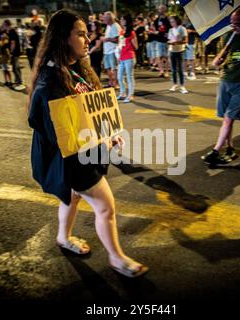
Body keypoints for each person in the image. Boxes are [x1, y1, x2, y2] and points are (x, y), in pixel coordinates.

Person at [28, 9, 148, 278]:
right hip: (73, 158)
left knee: (70, 197)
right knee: (105, 207)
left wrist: (108, 130)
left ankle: (63, 237)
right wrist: (96, 139)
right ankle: (117, 259)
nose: (86, 39)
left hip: (83, 153)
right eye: (80, 34)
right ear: (63, 38)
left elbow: (89, 111)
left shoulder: (74, 68)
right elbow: (50, 125)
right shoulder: (51, 80)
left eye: (86, 33)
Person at [201, 8, 240, 165]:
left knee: (228, 119)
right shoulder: (230, 35)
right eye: (232, 23)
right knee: (225, 120)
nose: (234, 26)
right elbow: (221, 56)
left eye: (238, 24)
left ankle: (216, 150)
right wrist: (217, 60)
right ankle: (230, 148)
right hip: (226, 79)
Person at [117, 14, 138, 103]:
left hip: (129, 57)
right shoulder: (121, 32)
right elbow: (120, 45)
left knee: (129, 76)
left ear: (127, 21)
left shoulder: (132, 32)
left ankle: (131, 95)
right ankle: (122, 93)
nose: (121, 21)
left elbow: (136, 46)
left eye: (123, 19)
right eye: (121, 19)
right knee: (119, 76)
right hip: (121, 57)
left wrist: (129, 45)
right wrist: (118, 56)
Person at [168, 15, 188, 94]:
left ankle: (182, 86)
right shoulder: (170, 30)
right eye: (170, 22)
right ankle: (174, 84)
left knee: (180, 69)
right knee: (173, 69)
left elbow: (186, 40)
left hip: (180, 50)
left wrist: (176, 42)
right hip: (172, 50)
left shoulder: (182, 28)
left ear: (177, 21)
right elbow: (169, 40)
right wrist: (170, 42)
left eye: (172, 21)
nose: (171, 23)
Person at [102, 11, 121, 88]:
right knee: (108, 68)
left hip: (113, 50)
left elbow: (118, 39)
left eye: (105, 18)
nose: (103, 20)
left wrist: (108, 39)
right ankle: (111, 83)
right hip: (106, 51)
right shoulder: (108, 26)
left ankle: (116, 84)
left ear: (110, 19)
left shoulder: (115, 26)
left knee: (114, 68)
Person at [3, 19, 23, 90]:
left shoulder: (12, 31)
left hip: (15, 52)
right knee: (16, 68)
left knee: (15, 68)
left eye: (4, 24)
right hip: (15, 52)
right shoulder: (10, 31)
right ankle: (18, 81)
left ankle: (18, 82)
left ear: (6, 25)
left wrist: (11, 53)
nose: (3, 26)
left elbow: (13, 43)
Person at [153, 5, 171, 78]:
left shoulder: (168, 19)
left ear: (164, 10)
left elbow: (171, 28)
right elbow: (155, 28)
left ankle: (166, 71)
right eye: (159, 9)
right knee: (159, 56)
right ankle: (161, 71)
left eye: (161, 9)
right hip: (159, 40)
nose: (160, 10)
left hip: (166, 40)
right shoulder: (157, 19)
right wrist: (155, 32)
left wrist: (169, 34)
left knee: (166, 57)